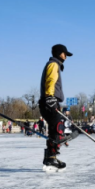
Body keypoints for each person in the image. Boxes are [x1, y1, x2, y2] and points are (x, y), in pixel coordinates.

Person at [39, 44, 73, 172]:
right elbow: (51, 80)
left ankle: (50, 157)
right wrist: (50, 97)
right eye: (65, 54)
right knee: (57, 128)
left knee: (55, 129)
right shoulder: (53, 64)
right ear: (60, 53)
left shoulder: (53, 64)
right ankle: (51, 158)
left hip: (49, 101)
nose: (66, 57)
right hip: (50, 101)